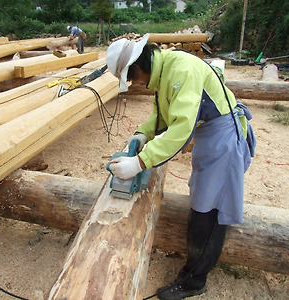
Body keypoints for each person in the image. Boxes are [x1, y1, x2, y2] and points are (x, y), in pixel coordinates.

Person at [106, 34, 256, 300]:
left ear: (139, 68)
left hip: (222, 136)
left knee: (209, 209)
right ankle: (193, 271)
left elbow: (181, 129)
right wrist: (142, 134)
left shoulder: (181, 69)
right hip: (209, 134)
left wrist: (140, 162)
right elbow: (162, 113)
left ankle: (194, 280)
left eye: (131, 78)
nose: (134, 84)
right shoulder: (164, 71)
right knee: (201, 196)